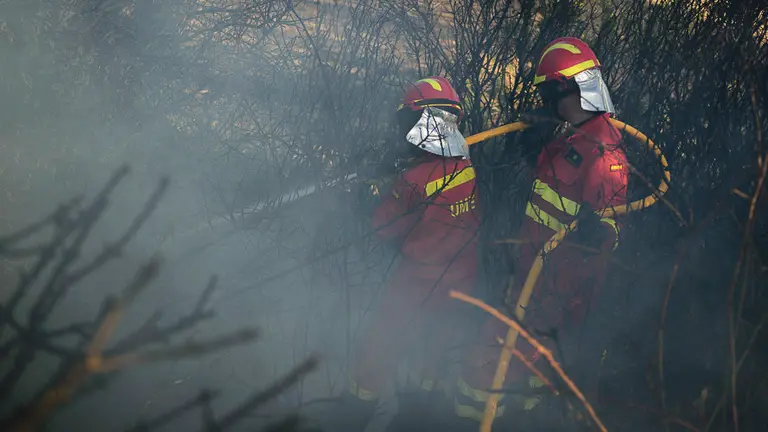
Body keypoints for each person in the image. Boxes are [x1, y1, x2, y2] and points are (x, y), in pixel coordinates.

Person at [451, 36, 629, 429]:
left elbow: (608, 234)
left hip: (555, 289)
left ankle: (467, 422)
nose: (546, 103)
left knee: (484, 361)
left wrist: (595, 233)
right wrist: (537, 149)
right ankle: (526, 419)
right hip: (531, 275)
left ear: (570, 89)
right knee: (531, 372)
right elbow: (552, 187)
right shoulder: (574, 137)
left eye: (549, 94)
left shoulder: (605, 155)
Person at [319, 76, 482, 432]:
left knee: (378, 350)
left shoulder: (414, 181)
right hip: (460, 283)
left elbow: (384, 227)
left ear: (422, 121)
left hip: (416, 284)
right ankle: (416, 420)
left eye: (408, 121)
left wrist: (367, 199)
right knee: (431, 359)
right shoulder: (466, 167)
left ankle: (352, 415)